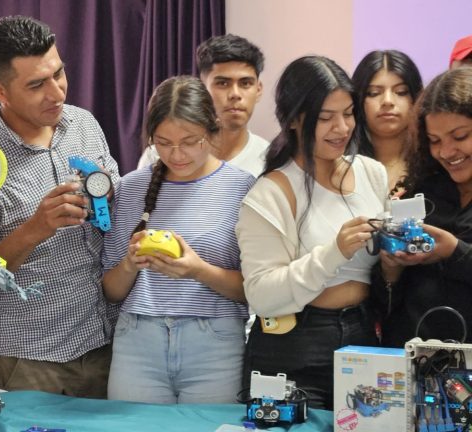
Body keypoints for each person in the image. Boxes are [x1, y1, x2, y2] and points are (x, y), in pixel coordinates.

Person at [0, 16, 120, 398]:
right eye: (36, 85)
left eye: (59, 74)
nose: (56, 93)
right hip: (27, 361)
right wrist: (33, 230)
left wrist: (108, 197)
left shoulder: (84, 124)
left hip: (105, 344)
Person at [235, 56, 389, 410]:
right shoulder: (271, 193)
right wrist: (334, 252)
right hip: (293, 345)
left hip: (363, 336)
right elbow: (260, 295)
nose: (341, 128)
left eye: (348, 113)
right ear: (293, 120)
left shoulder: (371, 173)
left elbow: (382, 271)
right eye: (325, 118)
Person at [102, 76, 253, 404]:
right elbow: (110, 292)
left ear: (211, 131)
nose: (176, 154)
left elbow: (254, 288)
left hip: (215, 344)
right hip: (137, 341)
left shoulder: (243, 188)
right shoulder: (131, 188)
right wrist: (129, 264)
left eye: (189, 141)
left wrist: (198, 269)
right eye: (163, 142)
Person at [372, 67, 472, 347]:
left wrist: (454, 251)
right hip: (413, 363)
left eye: (460, 136)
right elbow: (386, 301)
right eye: (435, 141)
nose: (447, 152)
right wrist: (391, 268)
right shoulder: (424, 192)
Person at [137, 34, 269, 177]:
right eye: (223, 83)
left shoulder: (268, 161)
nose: (235, 94)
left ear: (258, 89)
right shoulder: (162, 153)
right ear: (202, 87)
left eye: (245, 83)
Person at [352, 50, 423, 195]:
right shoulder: (342, 166)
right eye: (373, 93)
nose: (388, 101)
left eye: (401, 92)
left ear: (416, 98)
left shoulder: (434, 164)